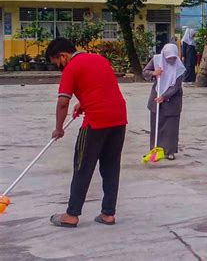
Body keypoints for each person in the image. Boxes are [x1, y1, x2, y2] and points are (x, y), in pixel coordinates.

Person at [46, 37, 127, 227]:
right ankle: (108, 214)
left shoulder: (71, 68)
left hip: (96, 122)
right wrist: (83, 102)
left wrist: (58, 128)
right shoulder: (99, 59)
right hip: (119, 118)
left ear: (63, 56)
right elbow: (101, 88)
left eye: (57, 63)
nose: (58, 67)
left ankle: (71, 215)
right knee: (111, 167)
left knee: (82, 166)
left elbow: (63, 102)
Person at [143, 43, 185, 161]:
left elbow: (176, 86)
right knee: (156, 126)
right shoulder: (156, 60)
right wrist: (153, 73)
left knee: (171, 128)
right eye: (169, 58)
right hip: (156, 98)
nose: (171, 60)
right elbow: (145, 71)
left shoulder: (179, 67)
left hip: (172, 101)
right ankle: (155, 150)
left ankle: (169, 151)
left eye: (173, 58)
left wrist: (164, 96)